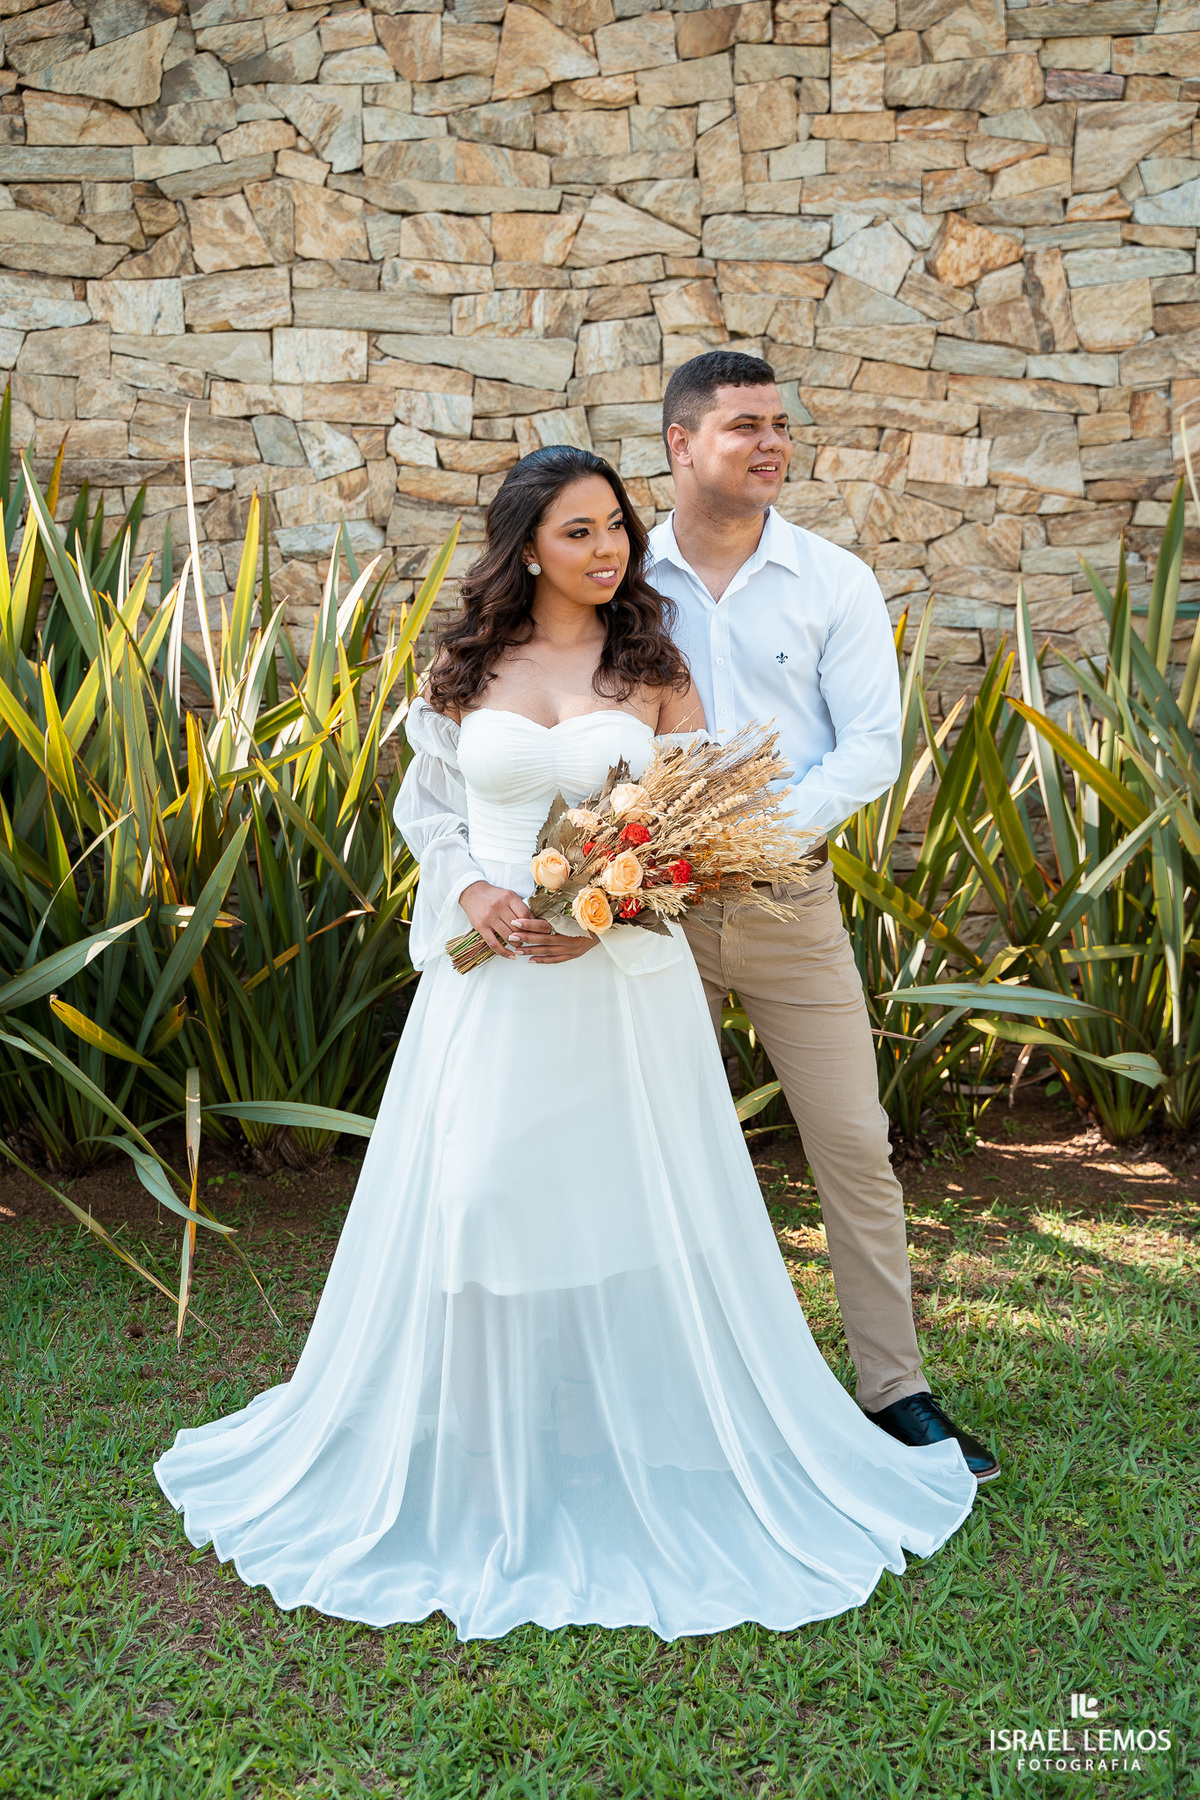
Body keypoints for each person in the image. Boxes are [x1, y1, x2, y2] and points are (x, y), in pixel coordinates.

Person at [153, 445, 977, 1642]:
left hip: (619, 975)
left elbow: (701, 826)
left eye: (617, 531)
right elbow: (427, 811)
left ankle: (627, 1417)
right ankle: (494, 1432)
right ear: (527, 544)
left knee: (625, 1195)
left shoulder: (655, 667)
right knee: (486, 1191)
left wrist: (615, 910)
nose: (609, 553)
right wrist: (472, 895)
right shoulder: (465, 663)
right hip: (490, 982)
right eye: (581, 532)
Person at [648, 349, 999, 1482]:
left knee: (852, 1139)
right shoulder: (621, 578)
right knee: (647, 1144)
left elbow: (871, 751)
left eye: (780, 425)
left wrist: (742, 835)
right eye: (744, 424)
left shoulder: (833, 580)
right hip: (649, 913)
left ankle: (896, 1386)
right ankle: (662, 1374)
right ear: (681, 445)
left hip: (787, 900)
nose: (771, 443)